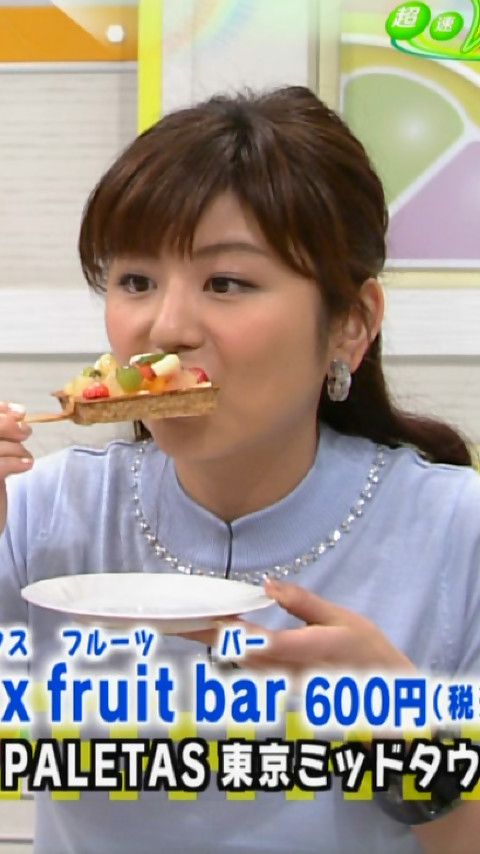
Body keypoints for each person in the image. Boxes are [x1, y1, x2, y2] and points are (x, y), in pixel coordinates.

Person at [0, 85, 479, 854]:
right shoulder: (40, 517)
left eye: (227, 283)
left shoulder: (459, 535)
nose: (165, 328)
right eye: (135, 281)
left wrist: (404, 733)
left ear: (350, 325)